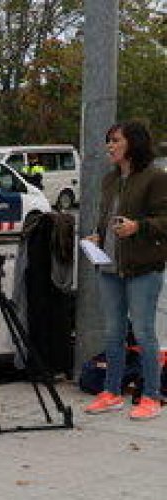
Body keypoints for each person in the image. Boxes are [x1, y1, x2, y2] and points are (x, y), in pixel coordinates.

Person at [82, 120, 167, 420]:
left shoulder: (155, 178)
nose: (110, 145)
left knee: (143, 332)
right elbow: (106, 218)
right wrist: (97, 235)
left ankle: (152, 396)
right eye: (108, 141)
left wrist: (138, 227)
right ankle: (112, 392)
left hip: (143, 268)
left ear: (133, 143)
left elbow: (164, 219)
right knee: (113, 332)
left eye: (115, 140)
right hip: (110, 267)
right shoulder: (109, 179)